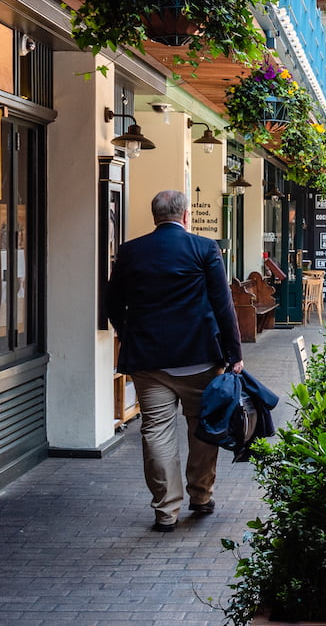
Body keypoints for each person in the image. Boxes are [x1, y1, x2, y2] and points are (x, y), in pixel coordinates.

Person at [105, 190, 245, 532]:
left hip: (150, 362)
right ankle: (200, 496)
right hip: (200, 358)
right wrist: (234, 353)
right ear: (185, 216)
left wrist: (129, 333)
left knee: (156, 432)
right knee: (203, 428)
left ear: (155, 216)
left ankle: (166, 510)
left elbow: (111, 303)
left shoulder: (131, 251)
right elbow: (223, 304)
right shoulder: (204, 248)